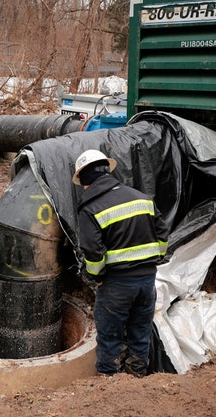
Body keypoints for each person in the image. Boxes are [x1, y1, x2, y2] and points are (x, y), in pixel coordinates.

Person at [73, 149, 170, 376]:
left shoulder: (91, 208)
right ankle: (137, 375)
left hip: (116, 284)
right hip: (147, 281)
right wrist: (154, 260)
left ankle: (109, 383)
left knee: (109, 336)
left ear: (85, 181)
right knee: (140, 330)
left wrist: (97, 278)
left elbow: (93, 252)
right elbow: (162, 234)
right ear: (107, 172)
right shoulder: (142, 198)